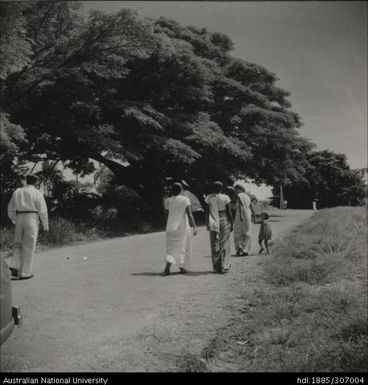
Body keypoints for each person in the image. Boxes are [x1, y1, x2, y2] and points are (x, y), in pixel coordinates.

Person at [7, 174, 49, 280]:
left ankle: (14, 265)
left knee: (18, 244)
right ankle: (25, 273)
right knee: (29, 245)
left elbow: (10, 208)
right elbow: (43, 211)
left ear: (26, 180)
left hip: (19, 217)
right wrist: (45, 226)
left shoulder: (17, 191)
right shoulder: (37, 193)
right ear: (35, 182)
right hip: (31, 218)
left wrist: (14, 220)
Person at [164, 183, 197, 275]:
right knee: (183, 246)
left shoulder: (168, 200)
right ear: (181, 190)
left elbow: (166, 215)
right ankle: (181, 267)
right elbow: (190, 215)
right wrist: (194, 226)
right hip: (182, 226)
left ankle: (168, 265)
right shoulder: (185, 199)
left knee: (170, 248)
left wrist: (168, 225)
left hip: (170, 227)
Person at [205, 181, 233, 273]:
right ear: (221, 188)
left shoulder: (208, 197)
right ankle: (224, 265)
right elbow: (229, 212)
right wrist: (231, 223)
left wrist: (207, 223)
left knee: (214, 243)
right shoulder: (225, 197)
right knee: (224, 242)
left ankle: (217, 266)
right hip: (223, 219)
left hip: (213, 220)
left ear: (213, 188)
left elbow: (207, 212)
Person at [233, 184, 255, 256]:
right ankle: (245, 249)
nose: (235, 191)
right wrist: (254, 214)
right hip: (248, 214)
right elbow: (251, 206)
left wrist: (241, 215)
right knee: (247, 231)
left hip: (240, 214)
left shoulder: (239, 196)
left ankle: (239, 248)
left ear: (239, 189)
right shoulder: (247, 196)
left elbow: (241, 205)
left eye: (236, 190)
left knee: (238, 231)